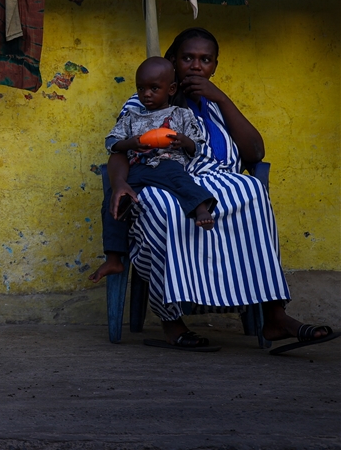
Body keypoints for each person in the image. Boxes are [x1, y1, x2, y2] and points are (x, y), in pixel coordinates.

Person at [106, 28, 338, 353]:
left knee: (253, 192)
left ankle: (275, 315)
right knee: (163, 208)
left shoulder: (214, 104)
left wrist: (221, 98)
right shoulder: (148, 98)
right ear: (173, 61)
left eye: (205, 60)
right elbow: (118, 150)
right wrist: (119, 182)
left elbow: (255, 153)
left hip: (218, 180)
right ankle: (172, 322)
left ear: (215, 66)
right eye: (188, 58)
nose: (196, 66)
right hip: (165, 179)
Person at [89, 57, 216, 282]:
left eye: (154, 88)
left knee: (181, 182)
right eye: (141, 88)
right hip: (136, 169)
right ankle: (114, 258)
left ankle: (202, 209)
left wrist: (182, 141)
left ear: (171, 89)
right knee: (115, 201)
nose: (146, 94)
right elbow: (111, 143)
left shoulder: (181, 115)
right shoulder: (131, 116)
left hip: (167, 164)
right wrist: (131, 143)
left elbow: (197, 146)